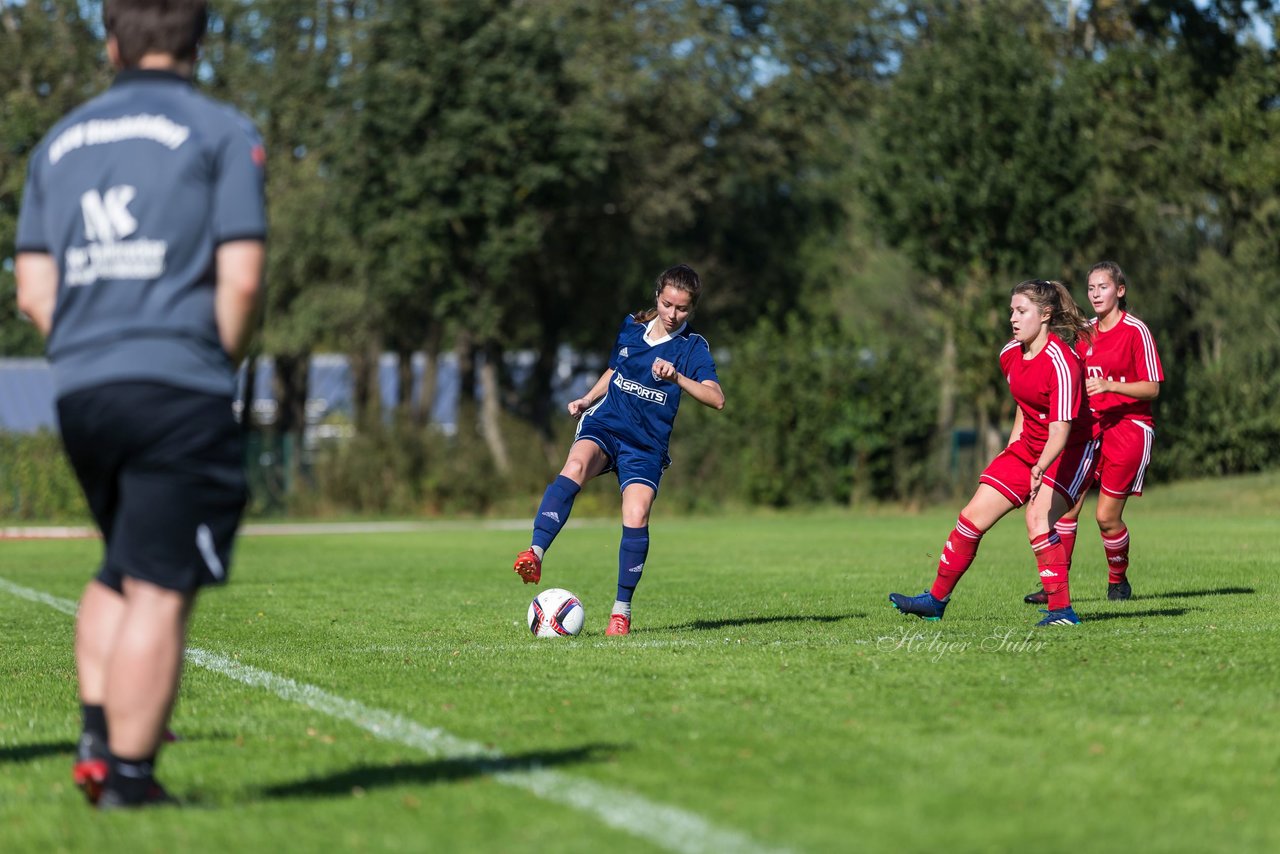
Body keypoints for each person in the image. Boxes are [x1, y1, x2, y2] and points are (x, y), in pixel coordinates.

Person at [14, 0, 266, 809]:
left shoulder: (58, 141)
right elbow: (244, 277)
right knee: (160, 584)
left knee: (122, 564)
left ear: (112, 41)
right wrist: (205, 362)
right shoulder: (220, 129)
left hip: (83, 388)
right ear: (198, 40)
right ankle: (129, 780)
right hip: (175, 382)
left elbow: (32, 291)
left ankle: (96, 734)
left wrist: (93, 345)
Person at [512, 264, 725, 635]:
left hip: (646, 445)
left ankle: (621, 611)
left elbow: (717, 399)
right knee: (575, 465)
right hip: (606, 423)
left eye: (682, 309)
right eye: (667, 304)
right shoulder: (631, 326)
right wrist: (586, 398)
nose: (673, 315)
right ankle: (535, 552)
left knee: (637, 513)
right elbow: (614, 370)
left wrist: (677, 377)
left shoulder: (693, 348)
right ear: (657, 296)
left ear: (693, 309)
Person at [889, 279, 1096, 627]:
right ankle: (935, 601)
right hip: (1029, 447)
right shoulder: (1010, 353)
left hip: (1071, 451)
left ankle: (1062, 611)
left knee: (1037, 518)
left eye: (1021, 311)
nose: (1013, 318)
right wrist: (1014, 450)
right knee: (971, 519)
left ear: (1045, 314)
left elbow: (1060, 430)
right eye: (1011, 311)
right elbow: (1025, 405)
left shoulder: (1062, 362)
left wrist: (1039, 467)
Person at [1024, 261, 1162, 604]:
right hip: (1091, 429)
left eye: (1103, 287)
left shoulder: (1135, 331)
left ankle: (1118, 581)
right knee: (1066, 510)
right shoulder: (1086, 331)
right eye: (1091, 288)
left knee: (1106, 517)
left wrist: (1111, 385)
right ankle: (1055, 587)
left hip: (1129, 429)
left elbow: (1153, 388)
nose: (1096, 294)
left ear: (1120, 290)